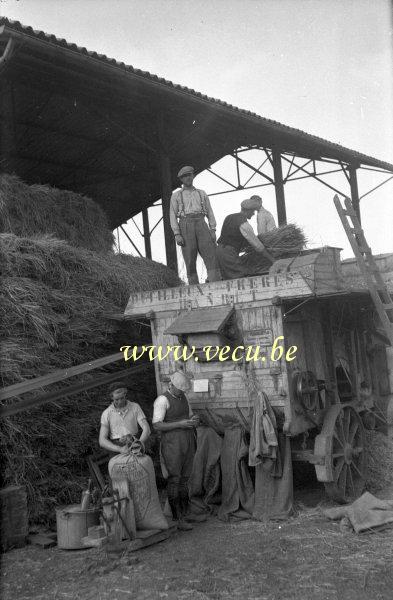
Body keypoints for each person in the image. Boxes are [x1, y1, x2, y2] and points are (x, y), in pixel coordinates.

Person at [152, 371, 199, 531]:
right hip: (172, 444)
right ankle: (178, 518)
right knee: (174, 479)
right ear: (172, 385)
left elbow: (190, 415)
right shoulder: (162, 400)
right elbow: (157, 425)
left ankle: (186, 514)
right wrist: (180, 424)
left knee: (185, 479)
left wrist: (194, 420)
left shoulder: (184, 398)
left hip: (187, 441)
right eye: (181, 390)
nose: (183, 392)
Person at [169, 165, 221, 284]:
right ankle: (194, 288)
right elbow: (172, 215)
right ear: (181, 179)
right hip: (185, 224)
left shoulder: (201, 193)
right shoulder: (176, 195)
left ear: (193, 176)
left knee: (210, 254)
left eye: (189, 175)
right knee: (189, 257)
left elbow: (210, 212)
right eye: (184, 176)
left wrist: (213, 229)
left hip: (201, 223)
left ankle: (216, 284)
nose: (188, 178)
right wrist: (177, 234)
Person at [217, 197, 275, 280]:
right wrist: (271, 259)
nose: (253, 214)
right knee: (240, 277)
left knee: (228, 278)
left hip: (220, 251)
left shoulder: (229, 217)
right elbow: (257, 245)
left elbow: (233, 237)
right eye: (252, 211)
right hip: (229, 253)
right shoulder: (244, 223)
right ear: (247, 211)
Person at [99, 382, 150, 455]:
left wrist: (139, 443)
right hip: (116, 450)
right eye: (116, 399)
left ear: (125, 394)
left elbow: (146, 428)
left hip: (136, 445)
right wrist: (119, 449)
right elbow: (102, 440)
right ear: (111, 397)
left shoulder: (135, 407)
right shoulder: (106, 413)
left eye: (122, 398)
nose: (120, 402)